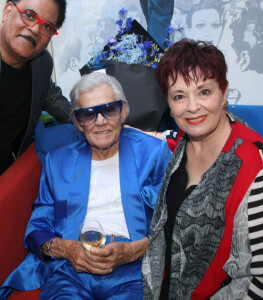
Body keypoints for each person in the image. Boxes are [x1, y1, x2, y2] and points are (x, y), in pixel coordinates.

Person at [142, 39, 263, 299]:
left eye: (204, 92)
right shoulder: (184, 145)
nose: (192, 107)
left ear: (224, 91)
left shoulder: (256, 173)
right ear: (168, 103)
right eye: (179, 96)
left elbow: (259, 284)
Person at [0, 72, 172, 299]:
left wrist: (134, 250)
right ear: (78, 123)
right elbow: (39, 224)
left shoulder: (153, 153)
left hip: (132, 267)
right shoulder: (57, 161)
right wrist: (67, 250)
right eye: (88, 114)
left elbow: (173, 217)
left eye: (109, 109)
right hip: (71, 269)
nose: (100, 121)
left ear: (123, 112)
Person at [0, 0, 72, 175]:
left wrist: (90, 119)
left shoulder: (42, 63)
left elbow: (49, 94)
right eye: (29, 16)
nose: (34, 29)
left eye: (46, 27)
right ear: (8, 11)